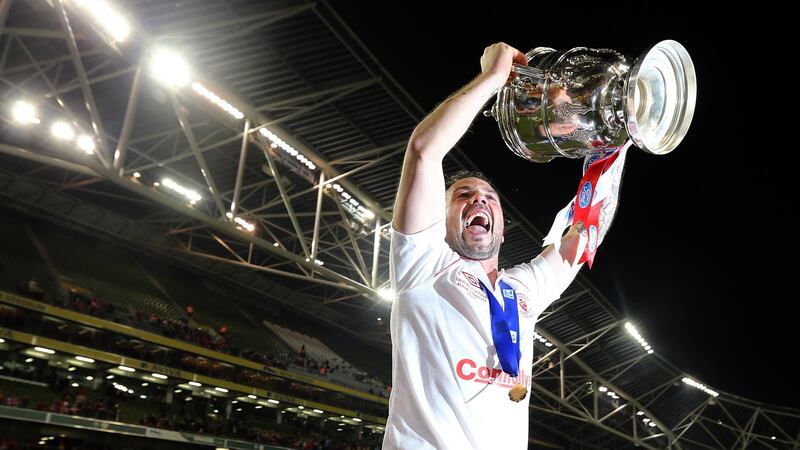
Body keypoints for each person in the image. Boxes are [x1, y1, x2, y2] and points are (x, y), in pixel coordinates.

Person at [383, 43, 618, 449]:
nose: (478, 199)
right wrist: (492, 79)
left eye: (489, 197)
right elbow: (424, 152)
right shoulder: (422, 265)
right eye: (463, 195)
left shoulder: (523, 290)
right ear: (438, 221)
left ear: (503, 228)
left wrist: (615, 133)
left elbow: (586, 229)